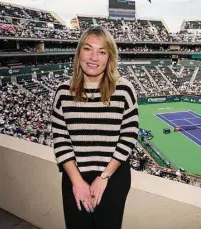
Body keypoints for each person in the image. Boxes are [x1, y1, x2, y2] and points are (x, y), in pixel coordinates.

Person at [51, 25, 139, 229]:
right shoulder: (63, 91)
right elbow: (61, 140)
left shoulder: (124, 89)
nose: (93, 57)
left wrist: (104, 176)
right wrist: (77, 182)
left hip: (113, 175)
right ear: (79, 52)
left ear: (109, 57)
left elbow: (129, 136)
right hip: (75, 175)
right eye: (87, 49)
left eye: (102, 51)